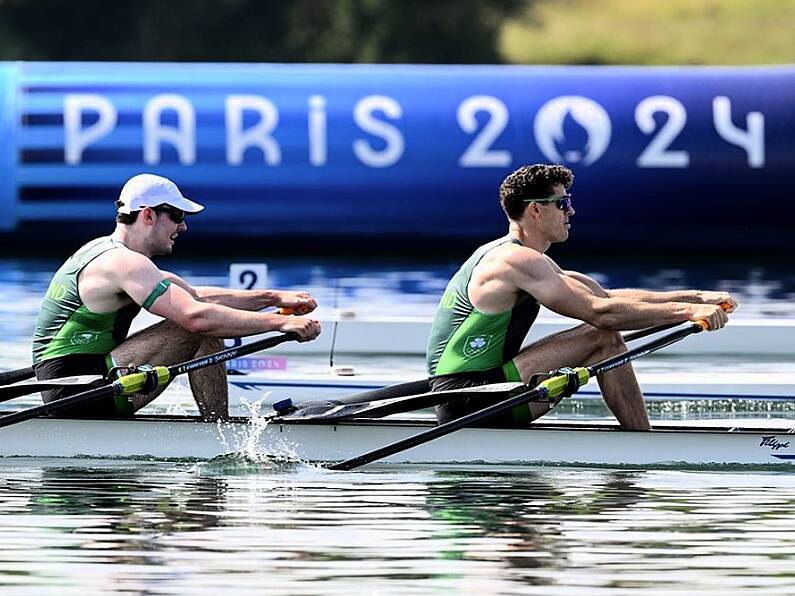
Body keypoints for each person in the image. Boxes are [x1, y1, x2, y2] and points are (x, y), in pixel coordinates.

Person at [426, 163, 737, 430]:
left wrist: (698, 298)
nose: (571, 210)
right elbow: (602, 313)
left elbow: (607, 296)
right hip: (470, 398)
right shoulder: (514, 261)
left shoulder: (522, 257)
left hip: (475, 390)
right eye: (562, 203)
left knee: (603, 333)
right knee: (603, 336)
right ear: (536, 209)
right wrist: (686, 313)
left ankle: (641, 442)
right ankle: (643, 449)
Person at [32, 173, 321, 421]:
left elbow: (195, 297)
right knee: (199, 327)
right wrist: (280, 324)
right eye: (177, 216)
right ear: (148, 214)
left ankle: (218, 427)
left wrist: (274, 297)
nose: (183, 227)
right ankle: (219, 435)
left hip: (83, 380)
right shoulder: (122, 263)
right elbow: (196, 317)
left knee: (205, 320)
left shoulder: (113, 254)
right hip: (76, 391)